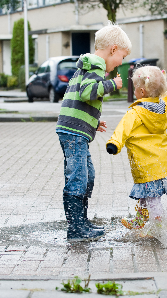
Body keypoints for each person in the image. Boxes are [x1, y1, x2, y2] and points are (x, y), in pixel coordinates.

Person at [56, 22, 132, 242]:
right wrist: (112, 85)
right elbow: (88, 91)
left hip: (75, 129)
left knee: (87, 176)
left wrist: (91, 121)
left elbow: (79, 99)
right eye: (123, 57)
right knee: (78, 178)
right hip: (73, 133)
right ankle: (76, 228)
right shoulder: (96, 66)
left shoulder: (89, 65)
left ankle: (82, 222)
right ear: (113, 49)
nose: (121, 63)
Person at [106, 66, 167, 230]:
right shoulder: (164, 106)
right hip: (164, 163)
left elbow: (122, 129)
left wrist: (114, 144)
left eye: (135, 88)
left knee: (152, 199)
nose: (134, 90)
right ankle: (140, 220)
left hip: (147, 165)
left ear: (142, 92)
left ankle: (160, 230)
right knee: (147, 194)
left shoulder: (135, 113)